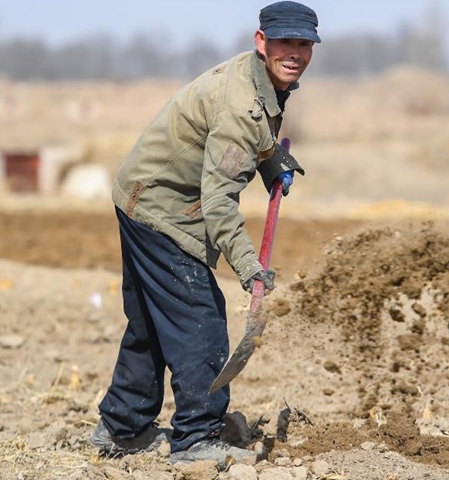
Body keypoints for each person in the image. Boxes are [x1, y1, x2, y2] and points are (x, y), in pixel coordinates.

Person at [88, 1, 319, 466]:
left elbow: (244, 138)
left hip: (143, 192)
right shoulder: (241, 102)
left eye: (303, 44)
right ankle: (196, 439)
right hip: (161, 207)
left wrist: (271, 160)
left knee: (153, 321)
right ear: (261, 43)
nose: (294, 53)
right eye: (284, 43)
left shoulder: (260, 80)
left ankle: (123, 427)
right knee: (199, 317)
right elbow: (218, 201)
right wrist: (250, 267)